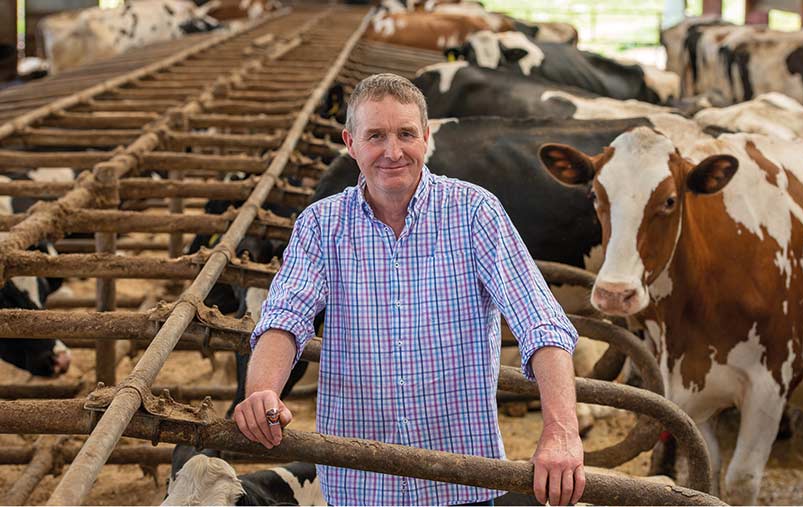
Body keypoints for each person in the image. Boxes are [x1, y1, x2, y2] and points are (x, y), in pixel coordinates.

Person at [234, 73, 585, 506]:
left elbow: (542, 324)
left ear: (427, 136)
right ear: (350, 142)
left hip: (463, 477)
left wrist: (561, 431)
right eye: (375, 136)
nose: (393, 151)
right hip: (357, 482)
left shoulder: (475, 212)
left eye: (405, 134)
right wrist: (263, 391)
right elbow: (284, 318)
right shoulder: (321, 224)